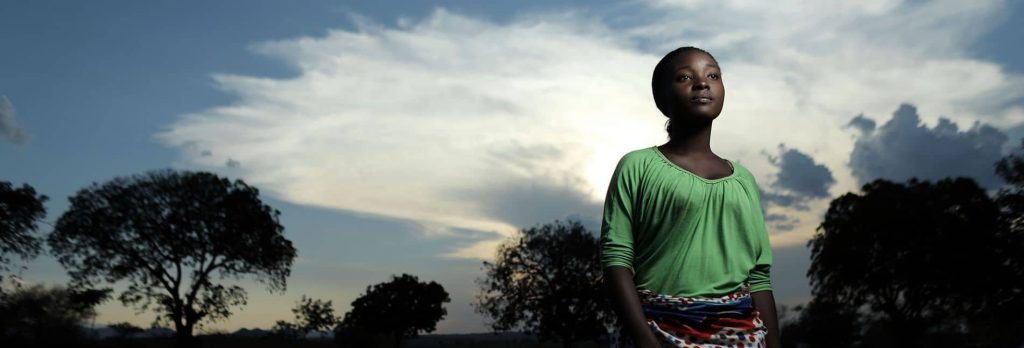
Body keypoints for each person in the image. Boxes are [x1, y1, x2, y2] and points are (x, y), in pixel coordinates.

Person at [600, 46, 781, 348]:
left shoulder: (744, 180)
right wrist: (646, 341)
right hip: (660, 330)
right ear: (662, 98)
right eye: (685, 77)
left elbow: (758, 276)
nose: (702, 83)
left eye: (712, 74)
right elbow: (615, 259)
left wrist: (773, 342)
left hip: (743, 334)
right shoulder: (638, 166)